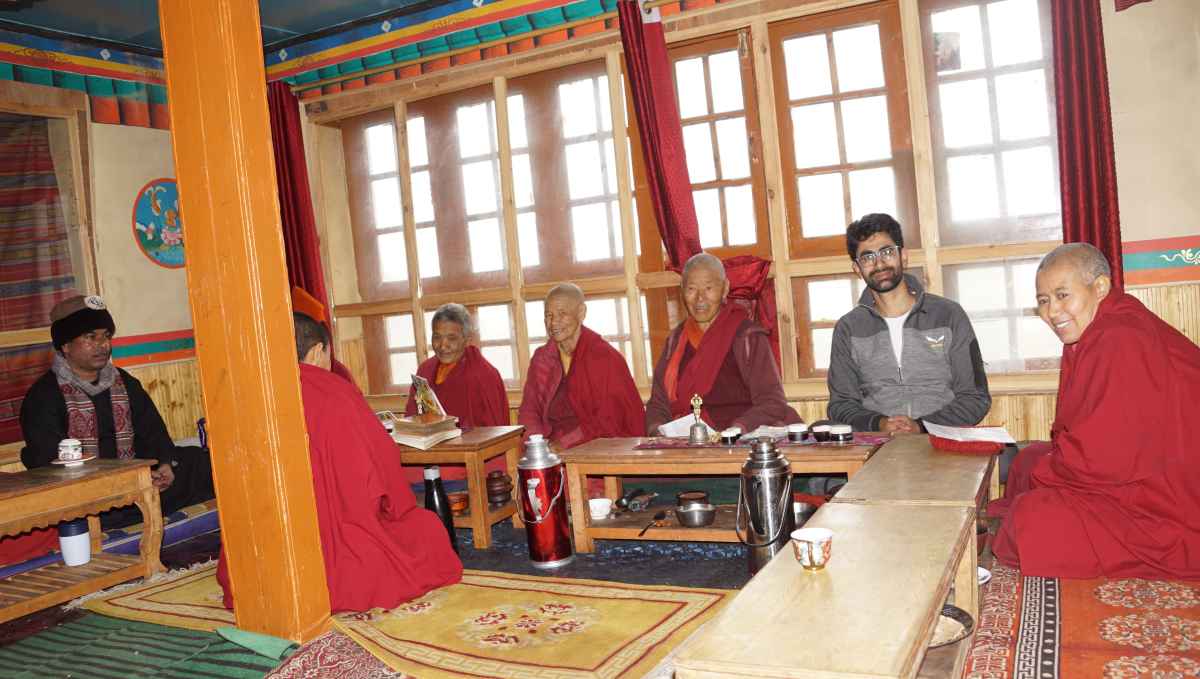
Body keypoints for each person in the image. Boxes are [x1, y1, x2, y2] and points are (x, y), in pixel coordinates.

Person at [217, 313, 462, 612]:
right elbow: (381, 466)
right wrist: (398, 508)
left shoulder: (250, 394)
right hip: (333, 542)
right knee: (426, 529)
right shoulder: (335, 393)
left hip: (267, 547)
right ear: (319, 350)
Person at [989, 243, 1200, 579]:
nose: (1052, 311)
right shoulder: (1094, 331)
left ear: (1100, 287)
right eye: (1043, 301)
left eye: (1062, 295)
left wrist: (1052, 472)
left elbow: (1108, 458)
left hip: (1172, 501)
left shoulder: (1120, 336)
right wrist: (1051, 467)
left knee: (1030, 521)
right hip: (1139, 472)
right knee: (1028, 462)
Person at [19, 295, 215, 525]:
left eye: (106, 336)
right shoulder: (44, 396)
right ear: (65, 346)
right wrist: (123, 481)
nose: (102, 345)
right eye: (90, 337)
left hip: (138, 478)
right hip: (87, 493)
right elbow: (47, 461)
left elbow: (152, 430)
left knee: (202, 462)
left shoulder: (123, 382)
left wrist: (163, 464)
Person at [827, 214, 990, 433]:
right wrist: (880, 423)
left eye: (887, 252)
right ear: (857, 269)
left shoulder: (949, 315)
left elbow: (975, 397)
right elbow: (841, 404)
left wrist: (921, 426)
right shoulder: (848, 328)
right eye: (867, 257)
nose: (879, 263)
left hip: (940, 437)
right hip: (878, 442)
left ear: (903, 256)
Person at [646, 252, 800, 435]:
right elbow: (658, 403)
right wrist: (657, 431)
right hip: (689, 441)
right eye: (691, 289)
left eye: (709, 288)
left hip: (742, 439)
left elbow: (772, 402)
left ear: (725, 288)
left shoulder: (747, 337)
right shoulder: (675, 342)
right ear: (682, 291)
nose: (700, 298)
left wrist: (737, 429)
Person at [517, 283, 645, 449]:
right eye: (548, 315)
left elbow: (607, 420)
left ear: (581, 313)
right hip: (549, 446)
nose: (554, 322)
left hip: (594, 449)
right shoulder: (542, 358)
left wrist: (562, 445)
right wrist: (536, 445)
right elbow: (529, 410)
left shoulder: (604, 357)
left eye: (562, 314)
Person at [401, 303, 510, 482]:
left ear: (467, 339)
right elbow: (411, 418)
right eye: (437, 337)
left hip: (466, 457)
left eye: (451, 338)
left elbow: (495, 432)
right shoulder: (426, 369)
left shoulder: (483, 375)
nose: (443, 345)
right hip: (427, 452)